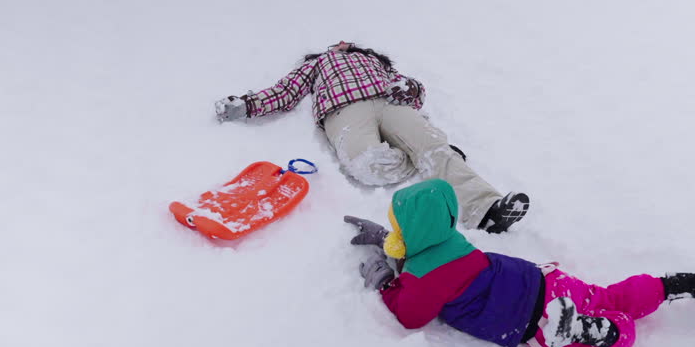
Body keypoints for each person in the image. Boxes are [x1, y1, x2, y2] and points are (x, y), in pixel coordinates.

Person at [344, 179, 695, 347]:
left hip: (531, 319)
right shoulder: (452, 241)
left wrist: (384, 278)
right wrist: (390, 241)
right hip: (544, 282)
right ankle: (683, 285)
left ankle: (587, 331)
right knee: (609, 297)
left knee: (621, 335)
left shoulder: (424, 278)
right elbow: (427, 246)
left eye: (397, 227)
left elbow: (410, 314)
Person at [216, 41, 529, 233]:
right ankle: (426, 154)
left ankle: (486, 210)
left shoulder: (375, 63)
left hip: (390, 104)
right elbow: (285, 91)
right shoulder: (317, 64)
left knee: (433, 147)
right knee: (369, 165)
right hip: (345, 111)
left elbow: (413, 89)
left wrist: (410, 88)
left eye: (348, 42)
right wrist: (246, 105)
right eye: (337, 42)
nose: (342, 42)